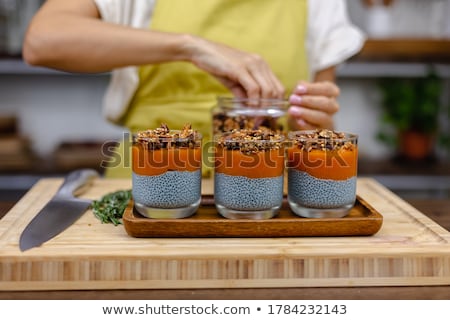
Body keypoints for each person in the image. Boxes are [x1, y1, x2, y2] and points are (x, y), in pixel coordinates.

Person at [22, 0, 365, 177]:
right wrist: (190, 47)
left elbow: (323, 125)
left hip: (270, 189)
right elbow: (43, 41)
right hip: (150, 176)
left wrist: (317, 125)